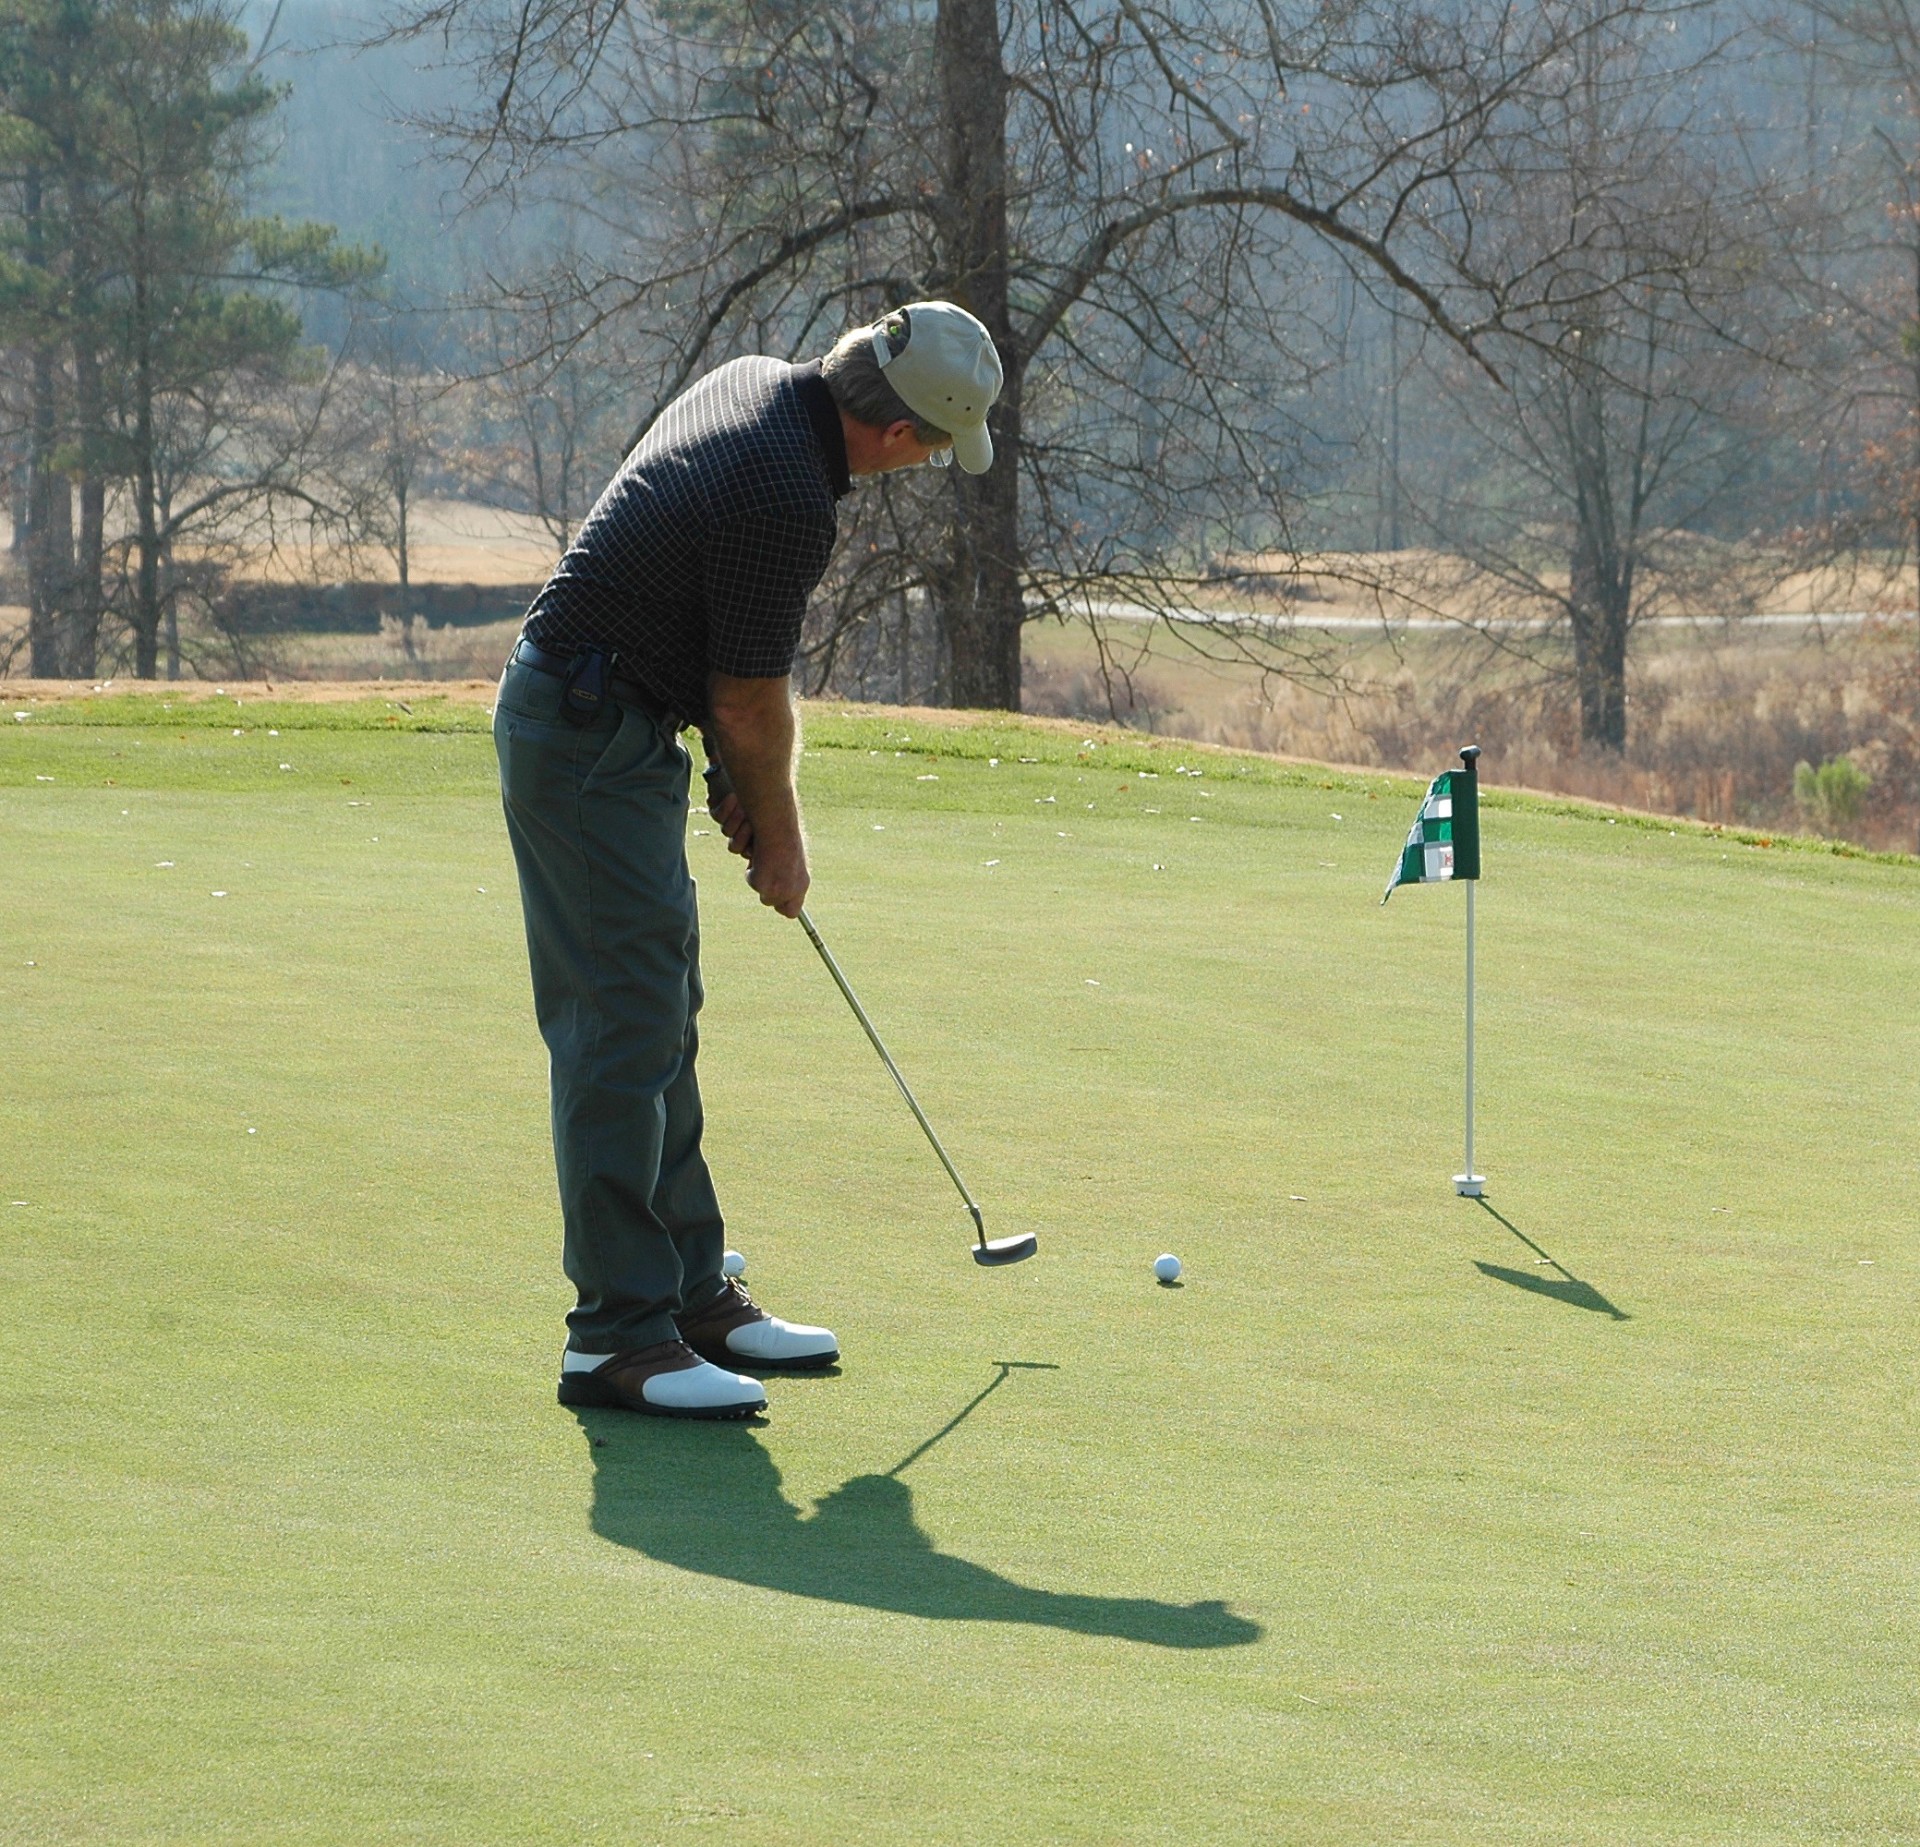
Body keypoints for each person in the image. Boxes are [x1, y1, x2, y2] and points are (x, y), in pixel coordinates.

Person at [493, 301, 1004, 1421]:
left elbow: (693, 611)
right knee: (619, 1022)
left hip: (612, 723)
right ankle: (616, 1339)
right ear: (903, 433)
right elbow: (748, 697)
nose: (919, 467)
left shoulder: (762, 381)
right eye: (930, 452)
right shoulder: (787, 491)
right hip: (583, 733)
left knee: (661, 1003)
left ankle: (683, 1294)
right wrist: (779, 834)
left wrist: (729, 774)